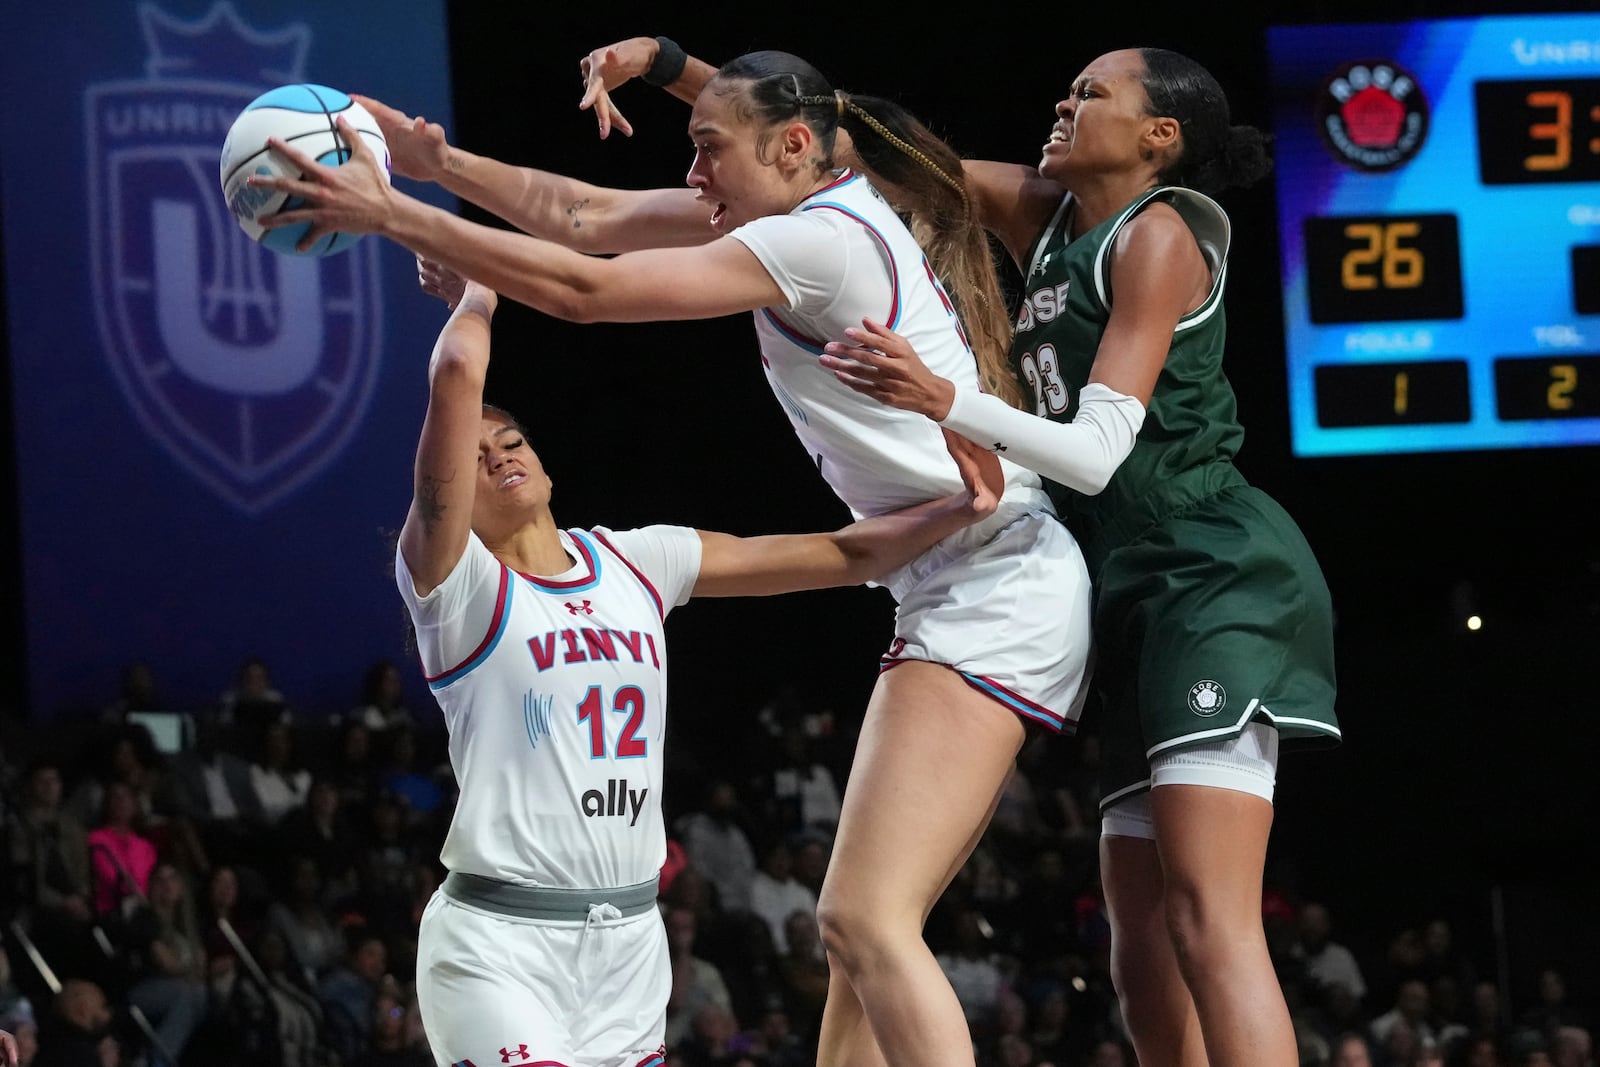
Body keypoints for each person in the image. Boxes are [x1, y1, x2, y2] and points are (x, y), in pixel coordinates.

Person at [252, 46, 1093, 1067]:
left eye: (706, 149)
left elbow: (585, 289)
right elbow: (584, 219)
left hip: (993, 574)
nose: (692, 175)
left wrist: (397, 217)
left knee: (865, 922)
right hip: (964, 564)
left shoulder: (817, 246)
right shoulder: (802, 213)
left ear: (791, 146)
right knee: (860, 934)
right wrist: (441, 167)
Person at [581, 37, 1342, 1066]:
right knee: (1136, 951)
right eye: (1066, 85)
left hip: (1208, 573)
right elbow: (827, 140)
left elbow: (1092, 455)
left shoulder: (1159, 234)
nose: (1064, 102)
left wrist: (949, 401)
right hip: (1120, 585)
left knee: (1209, 921)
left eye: (1092, 93)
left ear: (1159, 134)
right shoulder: (1047, 215)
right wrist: (679, 71)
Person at [368, 252, 1024, 1067]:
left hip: (630, 947)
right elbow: (460, 370)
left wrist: (962, 509)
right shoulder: (456, 587)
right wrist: (478, 292)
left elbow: (839, 551)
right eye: (473, 453)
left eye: (512, 440)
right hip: (501, 942)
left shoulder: (638, 561)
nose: (499, 454)